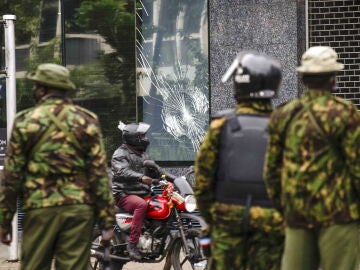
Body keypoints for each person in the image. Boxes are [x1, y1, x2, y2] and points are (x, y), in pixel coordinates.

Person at [0, 63, 115, 270]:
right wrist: (107, 220)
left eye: (36, 86)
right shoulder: (86, 120)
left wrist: (5, 220)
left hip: (40, 208)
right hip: (79, 210)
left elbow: (11, 177)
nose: (34, 90)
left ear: (43, 89)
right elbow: (99, 174)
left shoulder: (25, 121)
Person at [264, 46, 360, 270]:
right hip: (339, 214)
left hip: (297, 213)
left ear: (304, 78)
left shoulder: (284, 114)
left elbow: (271, 171)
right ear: (333, 79)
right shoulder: (346, 114)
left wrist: (284, 206)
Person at [194, 52, 284, 270]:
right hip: (272, 221)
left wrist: (214, 217)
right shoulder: (285, 126)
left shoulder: (222, 126)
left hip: (227, 220)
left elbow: (202, 181)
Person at [111, 121, 166, 261]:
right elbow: (122, 171)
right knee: (141, 205)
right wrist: (141, 177)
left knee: (161, 202)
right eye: (142, 136)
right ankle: (132, 245)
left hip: (142, 192)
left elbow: (154, 174)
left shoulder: (143, 155)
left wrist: (164, 175)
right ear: (133, 137)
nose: (146, 139)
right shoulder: (120, 153)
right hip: (124, 194)